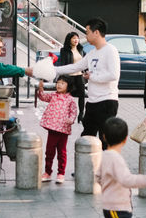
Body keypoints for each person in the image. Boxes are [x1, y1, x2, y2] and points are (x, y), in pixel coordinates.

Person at [41, 18, 120, 150]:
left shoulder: (110, 50)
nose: (85, 35)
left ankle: (105, 170)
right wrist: (51, 70)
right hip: (93, 102)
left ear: (96, 32)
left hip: (107, 102)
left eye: (87, 32)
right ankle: (87, 169)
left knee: (105, 140)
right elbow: (74, 67)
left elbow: (113, 75)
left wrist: (92, 77)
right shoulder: (92, 53)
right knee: (86, 138)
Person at [38, 76, 77, 183]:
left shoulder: (70, 99)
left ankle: (61, 173)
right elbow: (43, 97)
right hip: (52, 129)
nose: (59, 85)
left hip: (63, 130)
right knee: (49, 151)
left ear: (68, 86)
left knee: (62, 152)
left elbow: (73, 112)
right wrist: (40, 89)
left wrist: (71, 119)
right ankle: (47, 172)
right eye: (58, 83)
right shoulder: (53, 95)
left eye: (62, 83)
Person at [59, 32, 85, 123]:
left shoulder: (81, 49)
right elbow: (63, 64)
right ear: (69, 40)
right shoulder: (64, 50)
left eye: (77, 38)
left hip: (79, 76)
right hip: (69, 77)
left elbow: (85, 62)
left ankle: (81, 114)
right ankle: (66, 114)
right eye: (74, 38)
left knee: (82, 96)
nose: (76, 40)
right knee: (67, 97)